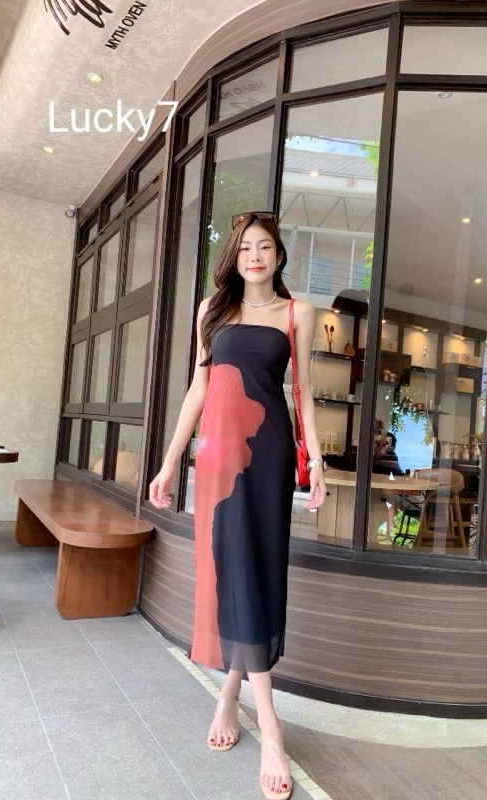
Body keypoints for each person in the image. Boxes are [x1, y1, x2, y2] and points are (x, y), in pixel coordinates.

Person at [149, 211, 327, 800]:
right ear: (235, 255)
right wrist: (170, 461)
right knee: (231, 572)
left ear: (279, 255)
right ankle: (249, 709)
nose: (255, 255)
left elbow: (303, 395)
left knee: (256, 572)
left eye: (265, 246)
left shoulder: (297, 312)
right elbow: (198, 390)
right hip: (218, 461)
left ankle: (252, 712)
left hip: (267, 455)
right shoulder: (212, 310)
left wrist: (316, 462)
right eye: (246, 246)